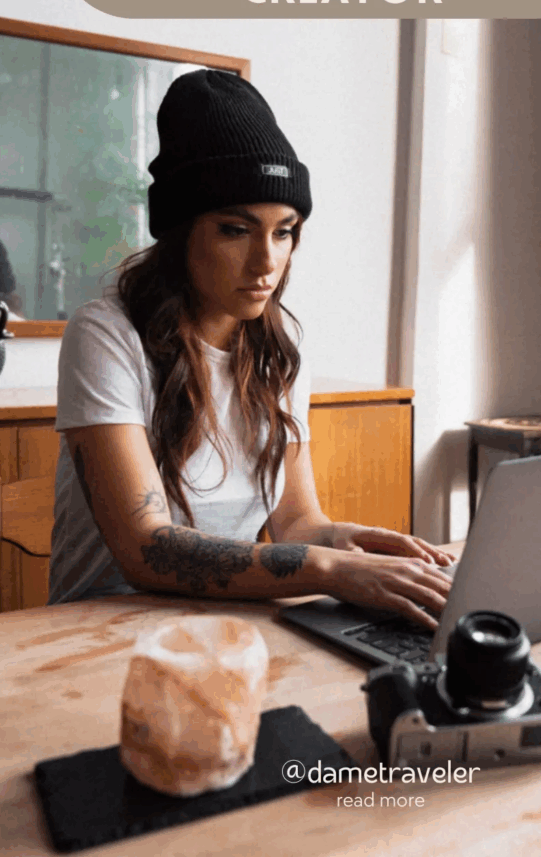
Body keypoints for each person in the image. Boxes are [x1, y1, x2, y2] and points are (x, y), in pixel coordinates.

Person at [49, 70, 453, 626]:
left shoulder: (280, 353)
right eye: (236, 230)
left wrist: (359, 546)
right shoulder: (105, 336)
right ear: (180, 231)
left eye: (284, 232)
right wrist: (329, 569)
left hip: (223, 627)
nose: (267, 262)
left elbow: (298, 526)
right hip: (97, 636)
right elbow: (147, 549)